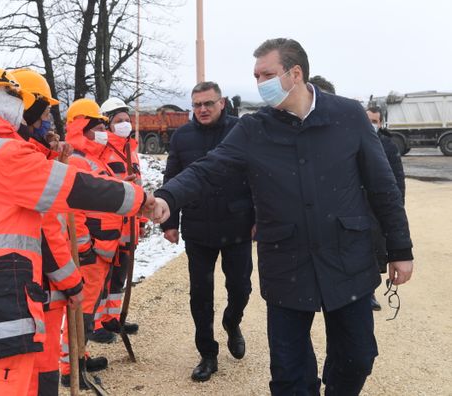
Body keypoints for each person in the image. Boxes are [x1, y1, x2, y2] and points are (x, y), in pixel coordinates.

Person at [152, 38, 414, 395]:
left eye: (267, 74)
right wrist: (169, 197)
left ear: (295, 73)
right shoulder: (253, 129)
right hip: (286, 264)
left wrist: (400, 248)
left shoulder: (348, 116)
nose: (260, 83)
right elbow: (208, 169)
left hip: (346, 258)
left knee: (358, 356)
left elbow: (383, 188)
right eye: (255, 76)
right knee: (289, 375)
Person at [0, 67, 153, 395]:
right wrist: (142, 200)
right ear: (6, 103)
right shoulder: (4, 155)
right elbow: (76, 189)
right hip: (2, 320)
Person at [161, 81, 255, 382]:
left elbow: (258, 177)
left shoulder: (241, 131)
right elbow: (172, 177)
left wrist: (260, 217)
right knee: (200, 295)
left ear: (222, 103)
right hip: (198, 227)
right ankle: (208, 353)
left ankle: (232, 321)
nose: (202, 109)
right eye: (197, 104)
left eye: (208, 103)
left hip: (237, 225)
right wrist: (169, 222)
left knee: (240, 288)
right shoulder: (181, 137)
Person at [11, 68, 84, 396]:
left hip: (31, 288)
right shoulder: (27, 163)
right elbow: (47, 229)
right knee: (41, 374)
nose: (50, 123)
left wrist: (56, 154)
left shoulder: (34, 155)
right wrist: (72, 283)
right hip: (42, 289)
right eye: (44, 116)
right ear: (27, 115)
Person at [59, 98, 125, 386]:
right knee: (80, 314)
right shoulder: (76, 160)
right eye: (96, 126)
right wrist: (84, 248)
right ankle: (69, 370)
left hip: (102, 249)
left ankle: (80, 357)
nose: (102, 130)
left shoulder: (95, 159)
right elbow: (73, 211)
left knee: (87, 311)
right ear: (82, 127)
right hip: (90, 253)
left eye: (102, 125)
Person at [91, 97, 144, 341]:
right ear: (108, 124)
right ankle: (96, 322)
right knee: (102, 276)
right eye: (118, 121)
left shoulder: (129, 148)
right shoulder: (102, 148)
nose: (124, 124)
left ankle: (111, 317)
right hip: (110, 224)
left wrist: (141, 220)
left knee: (119, 275)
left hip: (129, 224)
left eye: (126, 120)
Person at [366, 105, 406, 310]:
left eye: (375, 121)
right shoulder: (353, 141)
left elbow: (397, 179)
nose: (371, 124)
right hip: (358, 205)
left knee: (376, 248)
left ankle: (370, 290)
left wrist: (398, 207)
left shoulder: (388, 146)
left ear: (381, 124)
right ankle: (364, 292)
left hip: (378, 208)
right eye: (368, 120)